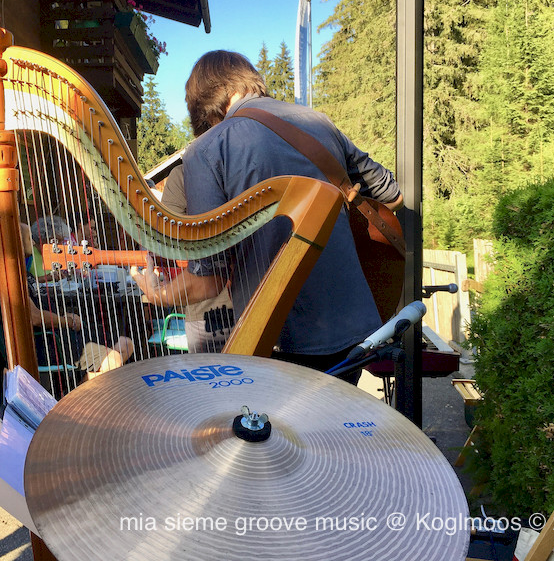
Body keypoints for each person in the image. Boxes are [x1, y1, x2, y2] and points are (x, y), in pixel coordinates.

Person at [132, 50, 402, 383]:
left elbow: (210, 280)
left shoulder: (207, 148)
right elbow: (393, 195)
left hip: (282, 338)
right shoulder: (319, 121)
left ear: (209, 106)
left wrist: (159, 295)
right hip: (355, 330)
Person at [0, 225, 133, 391]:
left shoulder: (21, 272)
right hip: (45, 344)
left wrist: (63, 316)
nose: (34, 242)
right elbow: (34, 317)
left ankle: (80, 392)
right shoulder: (6, 276)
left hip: (59, 337)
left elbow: (36, 299)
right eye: (29, 239)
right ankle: (75, 402)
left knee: (125, 344)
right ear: (16, 242)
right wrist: (67, 321)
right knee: (113, 359)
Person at [160, 163, 235, 353]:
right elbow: (173, 245)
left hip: (260, 305)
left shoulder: (184, 173)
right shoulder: (183, 175)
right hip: (208, 314)